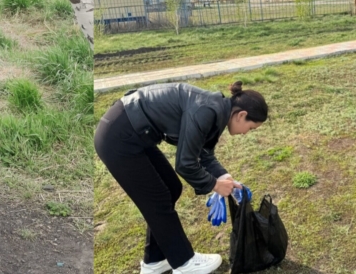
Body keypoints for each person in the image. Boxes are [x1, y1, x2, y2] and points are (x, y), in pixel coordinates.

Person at [94, 81, 267, 274]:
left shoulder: (216, 110)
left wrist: (224, 177)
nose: (246, 133)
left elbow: (203, 153)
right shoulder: (207, 111)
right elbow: (185, 164)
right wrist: (214, 185)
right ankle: (184, 263)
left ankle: (155, 261)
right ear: (241, 115)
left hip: (133, 133)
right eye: (250, 128)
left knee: (170, 188)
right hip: (118, 137)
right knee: (158, 199)